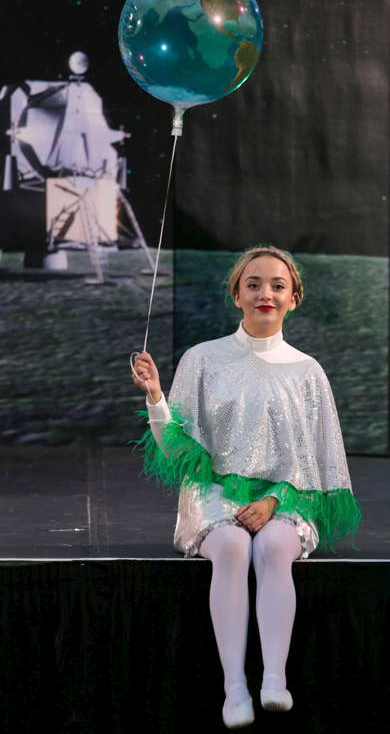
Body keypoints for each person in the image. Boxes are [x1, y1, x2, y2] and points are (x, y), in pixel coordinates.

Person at [131, 244, 361, 729]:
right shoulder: (203, 359)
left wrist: (275, 500)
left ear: (293, 298)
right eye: (253, 284)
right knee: (233, 546)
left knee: (277, 544)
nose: (265, 293)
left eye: (277, 286)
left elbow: (320, 465)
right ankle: (234, 686)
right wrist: (156, 397)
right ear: (236, 294)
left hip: (284, 498)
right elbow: (179, 451)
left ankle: (273, 679)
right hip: (215, 496)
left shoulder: (308, 373)